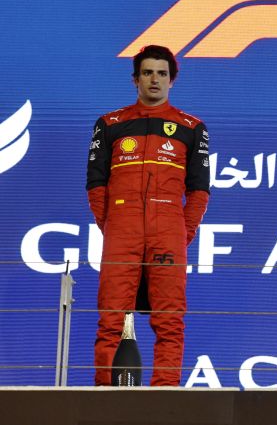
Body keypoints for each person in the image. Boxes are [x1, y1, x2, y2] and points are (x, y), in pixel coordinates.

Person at [86, 45, 210, 385]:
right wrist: (113, 225)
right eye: (147, 72)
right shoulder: (109, 124)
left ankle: (164, 399)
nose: (155, 79)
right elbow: (96, 185)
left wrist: (180, 233)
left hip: (168, 229)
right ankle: (105, 396)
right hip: (121, 228)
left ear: (172, 80)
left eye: (162, 73)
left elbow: (199, 191)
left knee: (170, 322)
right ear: (135, 79)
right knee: (110, 320)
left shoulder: (192, 127)